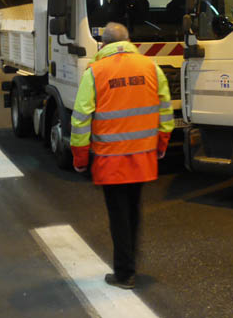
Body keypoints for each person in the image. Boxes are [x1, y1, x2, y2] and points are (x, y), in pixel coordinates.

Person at [71, 22, 174, 289]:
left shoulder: (95, 71)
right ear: (128, 41)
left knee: (118, 216)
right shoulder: (150, 67)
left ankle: (124, 273)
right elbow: (166, 110)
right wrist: (161, 144)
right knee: (133, 210)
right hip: (142, 156)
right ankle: (130, 263)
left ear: (104, 44)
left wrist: (80, 159)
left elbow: (80, 118)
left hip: (111, 159)